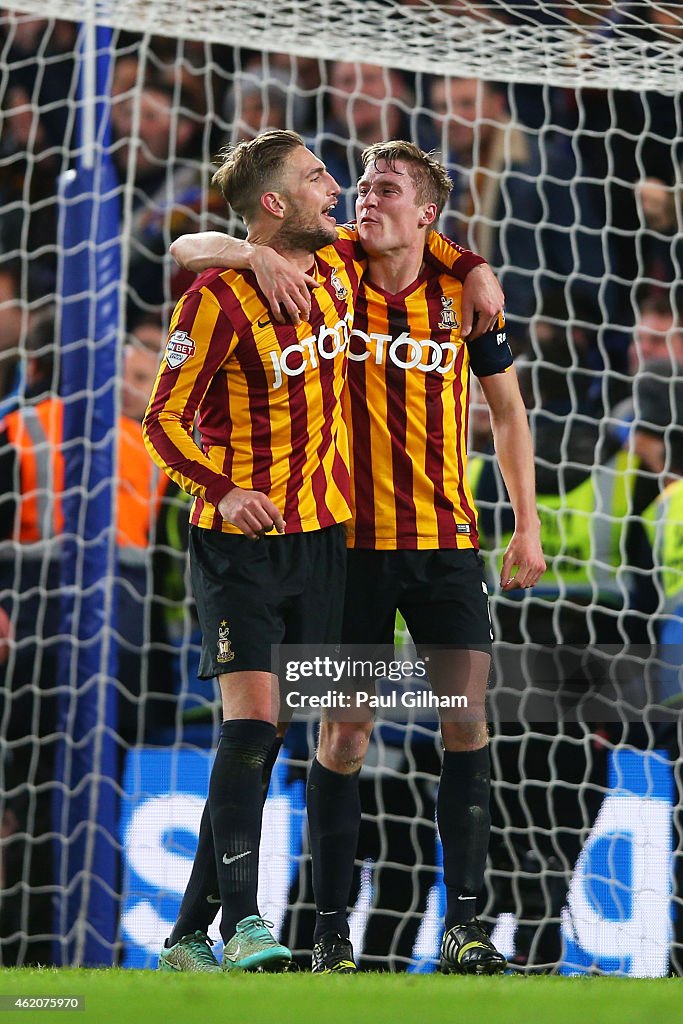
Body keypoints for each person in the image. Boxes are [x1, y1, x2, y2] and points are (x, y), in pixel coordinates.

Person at [167, 137, 544, 975]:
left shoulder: (460, 292)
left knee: (466, 721)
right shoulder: (328, 264)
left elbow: (510, 413)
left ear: (428, 214)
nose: (361, 198)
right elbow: (190, 246)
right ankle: (330, 932)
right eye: (357, 186)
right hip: (345, 549)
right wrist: (252, 256)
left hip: (445, 542)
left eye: (383, 188)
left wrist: (526, 524)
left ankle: (465, 928)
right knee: (338, 736)